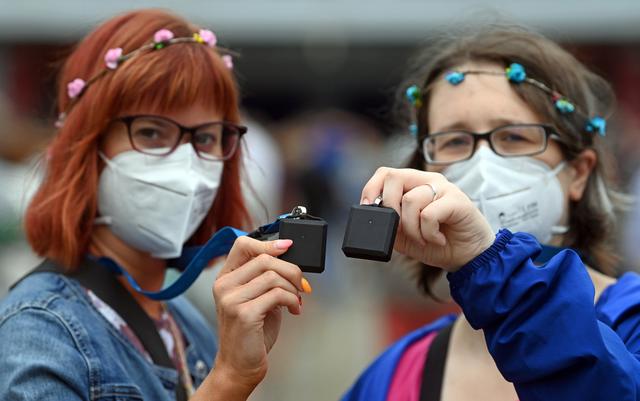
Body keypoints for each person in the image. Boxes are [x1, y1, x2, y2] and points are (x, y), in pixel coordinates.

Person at [0, 9, 311, 401]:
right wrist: (228, 380)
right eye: (151, 132)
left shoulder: (184, 319)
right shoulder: (39, 330)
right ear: (88, 148)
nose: (184, 164)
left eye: (205, 139)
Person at [342, 25, 640, 401]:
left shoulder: (633, 321)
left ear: (578, 173)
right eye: (453, 141)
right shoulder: (397, 374)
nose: (483, 164)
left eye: (514, 137)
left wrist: (493, 262)